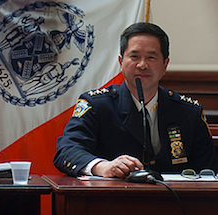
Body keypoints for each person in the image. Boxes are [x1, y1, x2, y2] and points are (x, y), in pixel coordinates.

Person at [53, 22, 218, 178]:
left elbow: (208, 170)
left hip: (175, 204)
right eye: (134, 56)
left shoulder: (189, 112)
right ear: (121, 62)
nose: (142, 65)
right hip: (111, 203)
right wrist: (102, 166)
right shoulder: (97, 105)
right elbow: (67, 150)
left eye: (151, 58)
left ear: (165, 65)